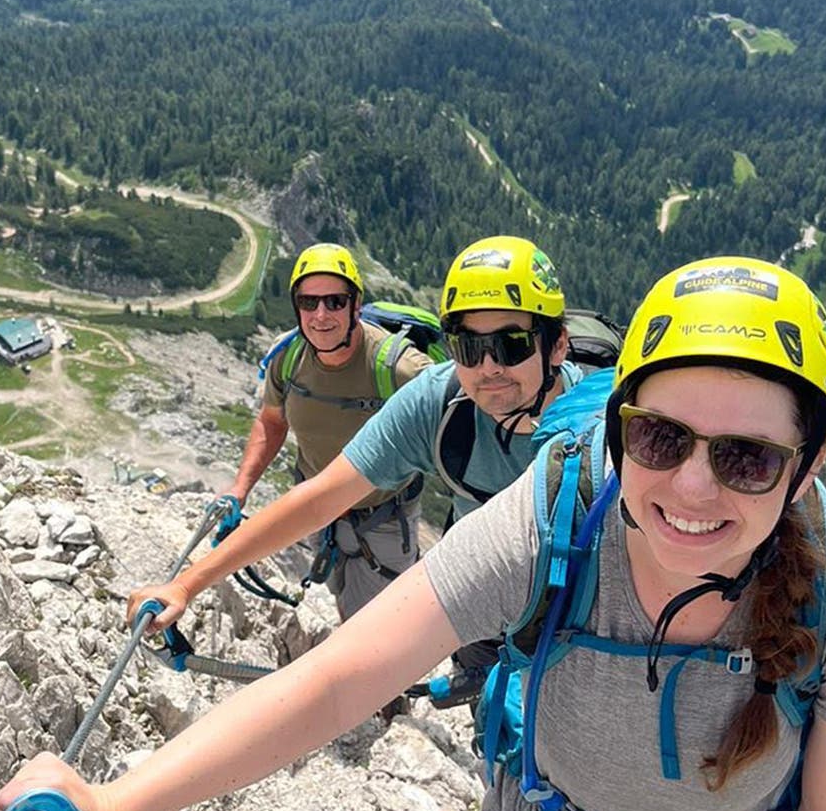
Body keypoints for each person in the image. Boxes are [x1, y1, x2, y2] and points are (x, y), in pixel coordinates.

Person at [0, 256, 826, 811]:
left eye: (746, 457)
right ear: (622, 428)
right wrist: (108, 807)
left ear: (807, 463)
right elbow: (337, 680)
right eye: (660, 437)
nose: (693, 488)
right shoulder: (559, 511)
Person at [127, 235, 591, 635]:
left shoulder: (603, 424)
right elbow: (318, 499)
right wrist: (187, 583)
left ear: (557, 344)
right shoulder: (438, 401)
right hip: (486, 590)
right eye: (469, 347)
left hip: (584, 605)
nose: (488, 367)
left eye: (511, 345)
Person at [219, 241, 434, 621]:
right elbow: (272, 422)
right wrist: (239, 490)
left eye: (335, 302)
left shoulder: (398, 369)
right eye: (308, 302)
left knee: (381, 625)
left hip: (383, 516)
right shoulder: (287, 359)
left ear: (355, 304)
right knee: (344, 600)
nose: (320, 315)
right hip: (318, 514)